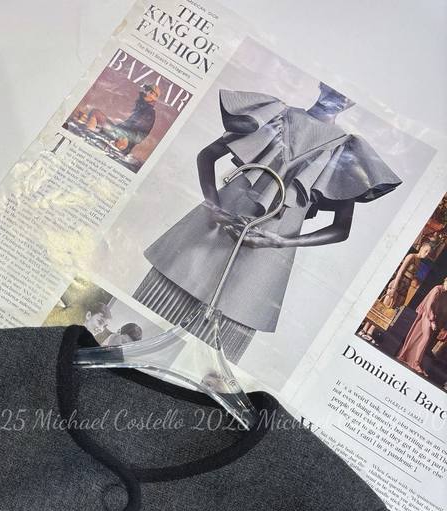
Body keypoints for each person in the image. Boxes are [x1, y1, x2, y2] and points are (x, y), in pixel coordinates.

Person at [133, 83, 402, 362]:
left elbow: (340, 229)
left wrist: (282, 241)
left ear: (353, 102)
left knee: (212, 358)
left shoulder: (347, 151)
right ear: (323, 84)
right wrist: (213, 206)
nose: (339, 95)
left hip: (263, 261)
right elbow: (207, 155)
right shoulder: (274, 115)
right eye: (336, 87)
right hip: (210, 232)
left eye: (347, 93)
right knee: (146, 318)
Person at [359, 242, 433, 341]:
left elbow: (411, 278)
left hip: (405, 287)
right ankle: (364, 329)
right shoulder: (411, 256)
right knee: (382, 307)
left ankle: (370, 331)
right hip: (399, 283)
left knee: (389, 310)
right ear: (421, 248)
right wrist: (394, 287)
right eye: (426, 251)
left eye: (428, 253)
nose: (426, 254)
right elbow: (400, 271)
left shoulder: (419, 262)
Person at [84, 84, 160, 154]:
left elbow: (140, 136)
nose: (146, 92)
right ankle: (86, 137)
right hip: (119, 134)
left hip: (123, 141)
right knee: (95, 115)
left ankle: (87, 136)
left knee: (95, 113)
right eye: (146, 89)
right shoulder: (142, 108)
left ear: (154, 97)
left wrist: (126, 138)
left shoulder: (149, 113)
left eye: (150, 92)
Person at [397, 278, 447, 376]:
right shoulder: (437, 289)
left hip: (433, 317)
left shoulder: (444, 293)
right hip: (427, 315)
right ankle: (416, 363)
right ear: (445, 281)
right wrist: (432, 320)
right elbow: (428, 305)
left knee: (421, 338)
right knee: (426, 337)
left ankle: (414, 360)